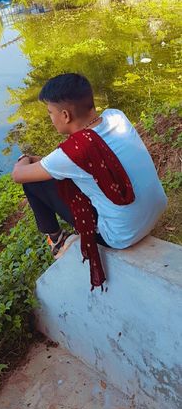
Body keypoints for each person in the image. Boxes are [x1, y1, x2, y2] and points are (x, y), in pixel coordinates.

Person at [12, 73, 167, 290]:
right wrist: (46, 162)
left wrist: (23, 159)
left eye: (50, 113)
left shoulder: (71, 154)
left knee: (32, 182)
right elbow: (67, 161)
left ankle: (56, 239)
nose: (50, 118)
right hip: (156, 210)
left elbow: (18, 175)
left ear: (65, 115)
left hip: (119, 236)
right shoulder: (116, 117)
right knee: (61, 174)